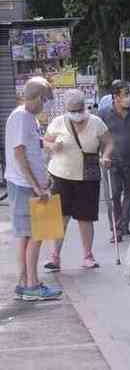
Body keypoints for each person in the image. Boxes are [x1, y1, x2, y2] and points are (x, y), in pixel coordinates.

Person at [5, 77, 63, 301]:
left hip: (27, 184)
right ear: (39, 97)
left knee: (29, 235)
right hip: (24, 186)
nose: (47, 104)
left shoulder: (27, 118)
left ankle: (26, 282)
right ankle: (32, 284)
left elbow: (32, 150)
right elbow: (19, 153)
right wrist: (36, 186)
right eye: (47, 100)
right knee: (37, 234)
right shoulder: (21, 117)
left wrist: (43, 177)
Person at [42, 90, 113, 271]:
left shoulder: (96, 122)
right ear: (66, 109)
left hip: (87, 176)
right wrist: (53, 146)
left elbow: (109, 142)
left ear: (85, 106)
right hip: (60, 175)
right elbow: (45, 142)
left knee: (85, 217)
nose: (77, 113)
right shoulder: (58, 122)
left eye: (79, 109)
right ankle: (54, 257)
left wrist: (106, 156)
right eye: (72, 110)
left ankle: (88, 256)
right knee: (60, 217)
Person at [99, 80, 130, 242]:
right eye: (126, 95)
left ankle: (124, 223)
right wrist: (102, 155)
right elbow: (98, 137)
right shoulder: (104, 114)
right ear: (115, 97)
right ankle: (116, 229)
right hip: (112, 163)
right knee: (114, 195)